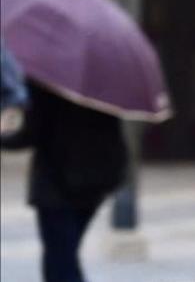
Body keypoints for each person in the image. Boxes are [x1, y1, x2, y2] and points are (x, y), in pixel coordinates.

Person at [0, 81, 128, 282]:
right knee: (66, 255)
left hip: (56, 183)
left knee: (60, 260)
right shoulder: (104, 85)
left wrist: (4, 138)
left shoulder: (47, 84)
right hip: (95, 179)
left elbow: (31, 133)